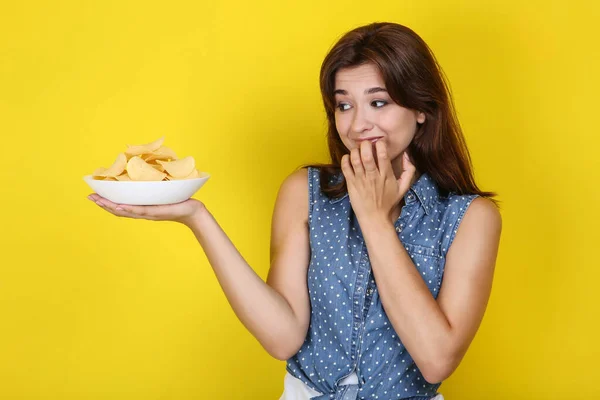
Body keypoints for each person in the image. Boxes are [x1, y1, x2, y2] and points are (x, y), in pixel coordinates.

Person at [87, 22, 502, 400]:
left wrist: (375, 219)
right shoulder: (305, 192)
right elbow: (283, 338)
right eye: (344, 105)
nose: (358, 125)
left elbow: (436, 359)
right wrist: (197, 218)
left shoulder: (470, 218)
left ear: (421, 109)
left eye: (378, 103)